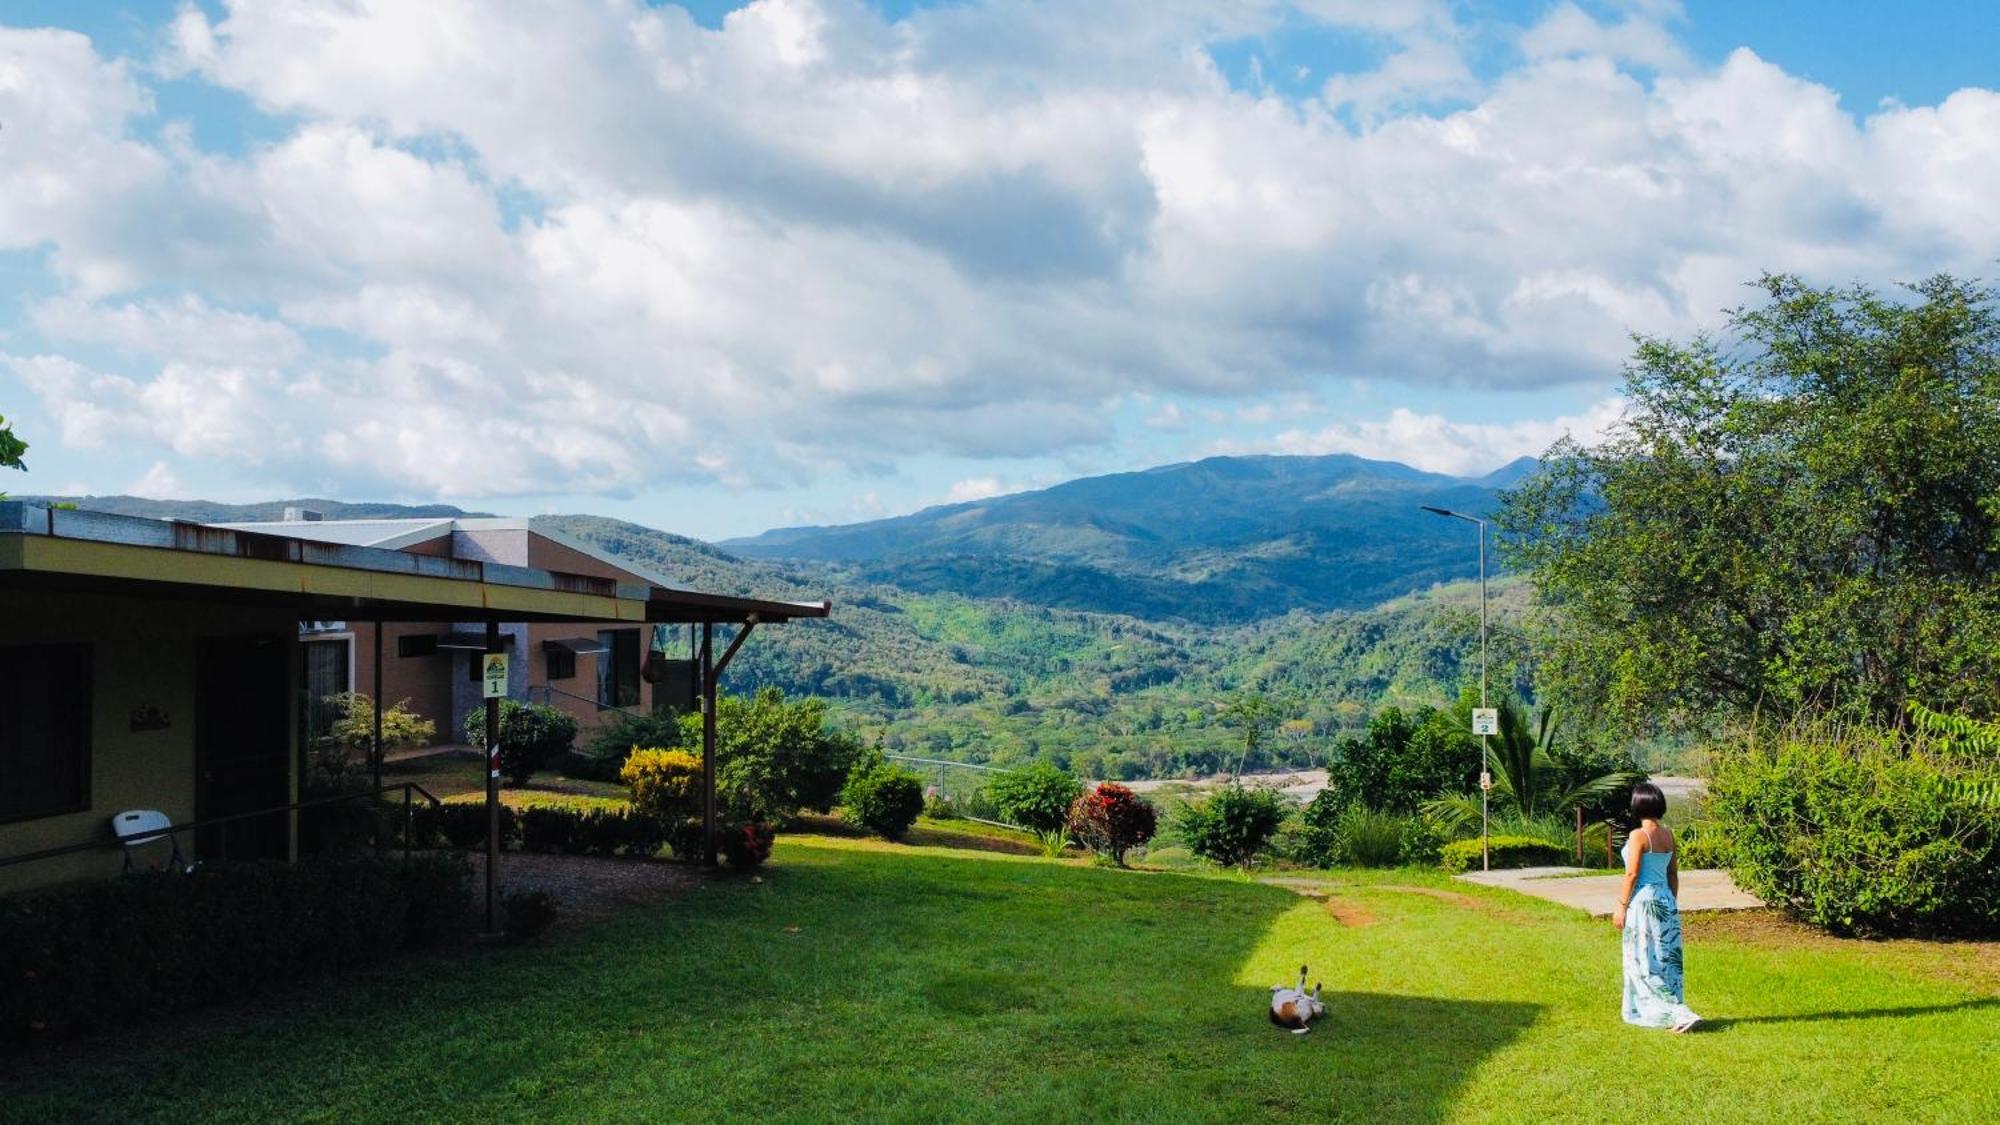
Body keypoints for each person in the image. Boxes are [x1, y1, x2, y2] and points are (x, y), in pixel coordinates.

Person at [1614, 781, 1701, 1032]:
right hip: (1665, 900)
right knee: (1666, 958)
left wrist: (1621, 906)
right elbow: (1673, 873)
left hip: (1643, 903)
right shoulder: (1668, 835)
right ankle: (1677, 1007)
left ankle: (1673, 1013)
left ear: (1637, 805)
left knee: (1642, 959)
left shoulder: (1638, 835)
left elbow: (1631, 874)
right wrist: (1671, 902)